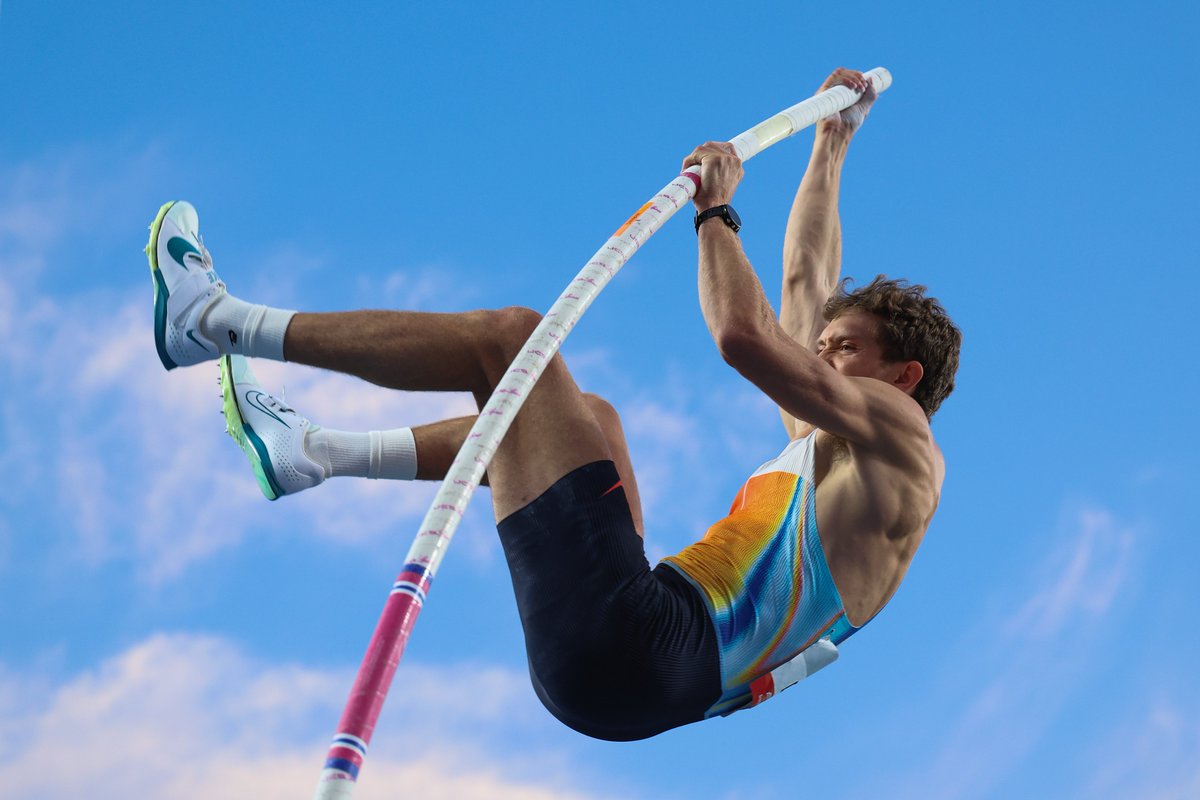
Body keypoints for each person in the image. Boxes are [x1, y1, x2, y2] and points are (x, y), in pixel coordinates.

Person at [145, 68, 960, 740]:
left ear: (904, 378)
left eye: (843, 348)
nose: (819, 350)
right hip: (640, 672)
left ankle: (214, 323)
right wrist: (831, 143)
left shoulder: (903, 442)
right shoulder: (842, 458)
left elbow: (745, 335)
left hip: (647, 645)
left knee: (512, 342)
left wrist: (716, 211)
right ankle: (316, 453)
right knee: (588, 420)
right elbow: (801, 286)